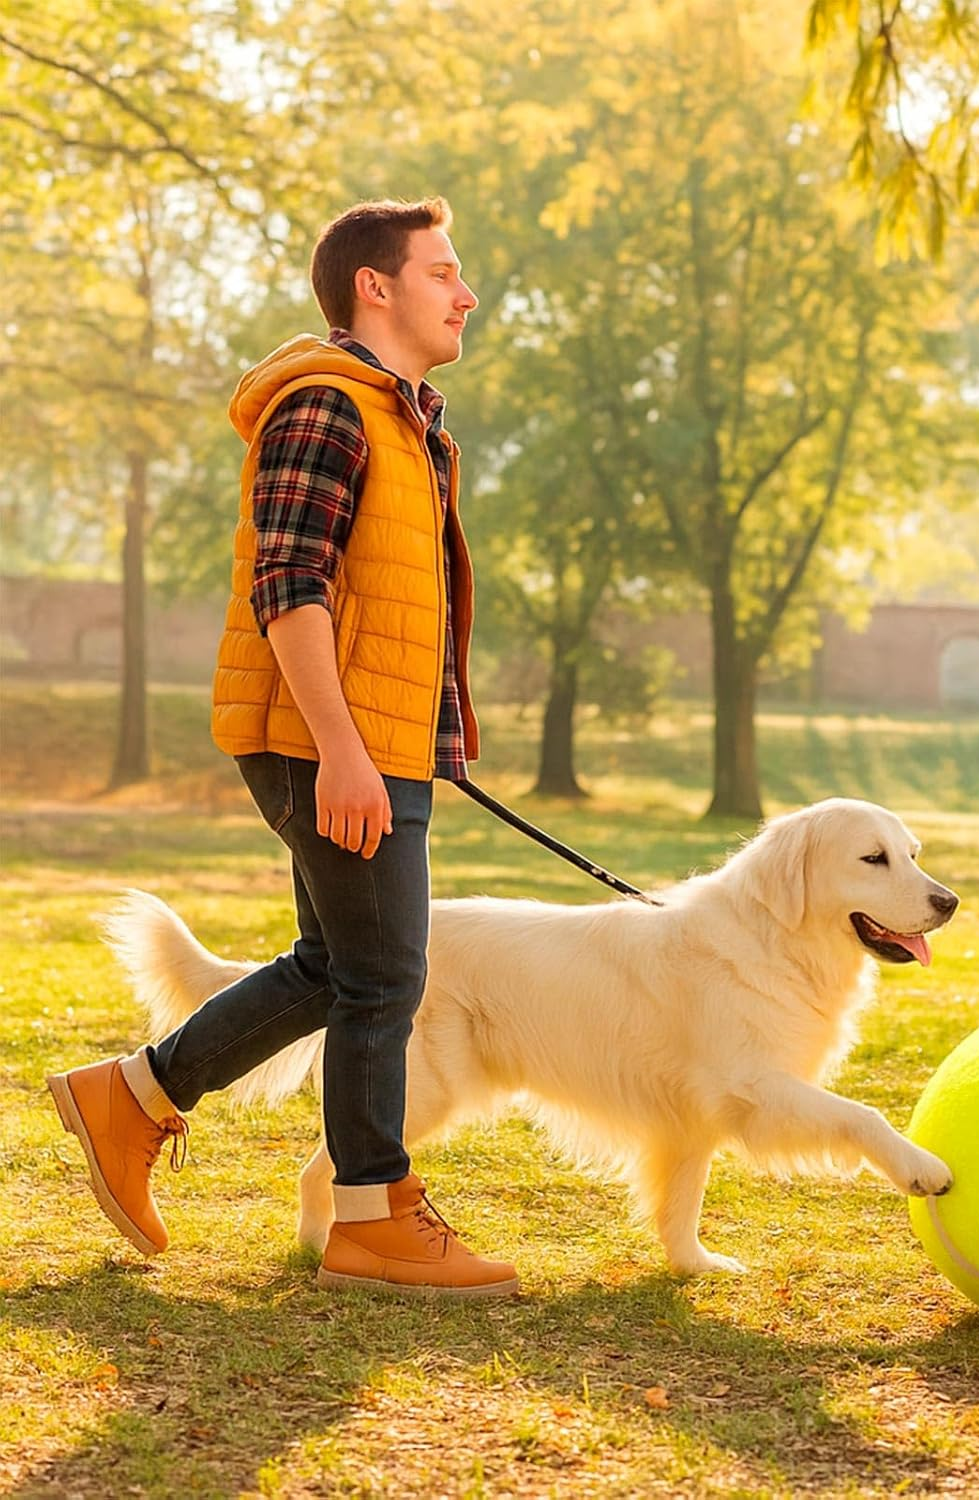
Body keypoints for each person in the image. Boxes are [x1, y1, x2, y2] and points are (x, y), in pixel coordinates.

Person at [45, 197, 519, 1298]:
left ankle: (135, 1098)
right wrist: (346, 753)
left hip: (371, 741)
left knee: (339, 967)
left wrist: (408, 740)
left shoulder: (397, 418)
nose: (467, 293)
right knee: (386, 979)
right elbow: (288, 589)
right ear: (376, 285)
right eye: (445, 271)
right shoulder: (326, 407)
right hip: (335, 745)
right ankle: (373, 1217)